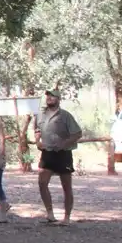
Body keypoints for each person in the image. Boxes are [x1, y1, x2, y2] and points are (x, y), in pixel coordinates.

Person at [36, 88, 83, 225]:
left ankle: (66, 217)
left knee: (66, 186)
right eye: (48, 96)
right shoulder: (40, 115)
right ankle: (50, 214)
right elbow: (37, 131)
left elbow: (77, 133)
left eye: (53, 96)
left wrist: (64, 143)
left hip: (63, 154)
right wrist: (38, 142)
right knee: (42, 183)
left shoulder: (65, 116)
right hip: (47, 153)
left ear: (58, 99)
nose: (49, 98)